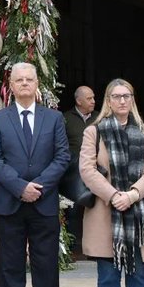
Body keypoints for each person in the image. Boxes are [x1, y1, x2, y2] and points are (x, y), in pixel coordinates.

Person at [0, 63, 71, 287]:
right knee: (10, 268)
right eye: (19, 79)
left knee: (46, 267)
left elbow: (62, 157)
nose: (24, 83)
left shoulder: (54, 118)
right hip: (10, 205)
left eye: (29, 79)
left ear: (37, 84)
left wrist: (39, 187)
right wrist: (20, 187)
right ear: (10, 85)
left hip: (44, 204)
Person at [79, 79, 144, 287]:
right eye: (116, 96)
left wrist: (133, 194)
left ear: (132, 99)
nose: (122, 101)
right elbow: (87, 170)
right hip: (106, 214)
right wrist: (114, 195)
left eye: (127, 96)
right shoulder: (95, 132)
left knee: (139, 275)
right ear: (108, 100)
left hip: (139, 213)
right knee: (108, 276)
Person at [61, 86, 95, 248]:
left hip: (97, 171)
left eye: (93, 98)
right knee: (73, 209)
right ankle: (73, 247)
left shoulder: (99, 118)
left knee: (95, 208)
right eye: (89, 99)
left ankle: (95, 245)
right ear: (78, 100)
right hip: (74, 171)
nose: (93, 102)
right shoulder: (66, 118)